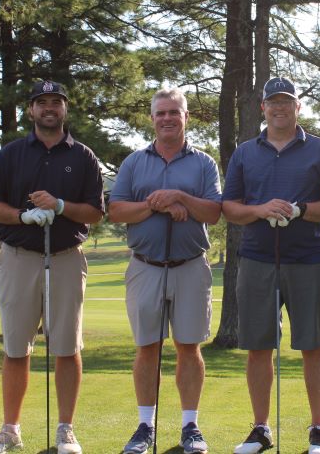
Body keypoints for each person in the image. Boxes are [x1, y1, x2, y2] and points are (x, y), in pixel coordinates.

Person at [0, 80, 105, 454]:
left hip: (66, 257)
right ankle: (10, 429)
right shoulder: (10, 155)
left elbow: (96, 213)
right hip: (19, 258)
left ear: (65, 109)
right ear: (31, 110)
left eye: (56, 102)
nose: (49, 108)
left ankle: (66, 430)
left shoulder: (82, 156)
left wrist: (60, 206)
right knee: (16, 348)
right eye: (42, 102)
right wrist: (22, 215)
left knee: (66, 347)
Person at [222, 77, 320, 454]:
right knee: (259, 348)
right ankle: (261, 429)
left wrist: (299, 210)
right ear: (263, 108)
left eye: (286, 102)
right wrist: (260, 210)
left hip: (307, 259)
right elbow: (230, 208)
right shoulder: (245, 152)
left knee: (314, 345)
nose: (279, 108)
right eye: (273, 102)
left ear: (297, 107)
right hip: (257, 260)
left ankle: (318, 430)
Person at [108, 87, 222, 454]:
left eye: (175, 112)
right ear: (152, 118)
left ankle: (190, 426)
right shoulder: (134, 162)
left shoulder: (203, 163)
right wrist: (157, 204)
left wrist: (181, 198)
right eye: (161, 113)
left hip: (190, 266)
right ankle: (145, 425)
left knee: (189, 347)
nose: (168, 118)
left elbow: (213, 213)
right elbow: (116, 211)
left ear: (186, 117)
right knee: (147, 348)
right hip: (146, 266)